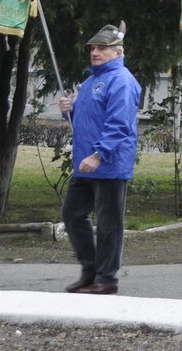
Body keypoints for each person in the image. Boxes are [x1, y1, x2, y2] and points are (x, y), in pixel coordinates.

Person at [58, 24, 141, 296]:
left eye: (102, 48)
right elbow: (86, 121)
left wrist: (98, 154)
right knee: (72, 214)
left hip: (108, 163)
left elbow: (119, 124)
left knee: (108, 224)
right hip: (87, 163)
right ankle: (90, 270)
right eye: (93, 48)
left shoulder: (122, 81)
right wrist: (68, 112)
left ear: (117, 52)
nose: (95, 52)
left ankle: (106, 279)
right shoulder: (92, 80)